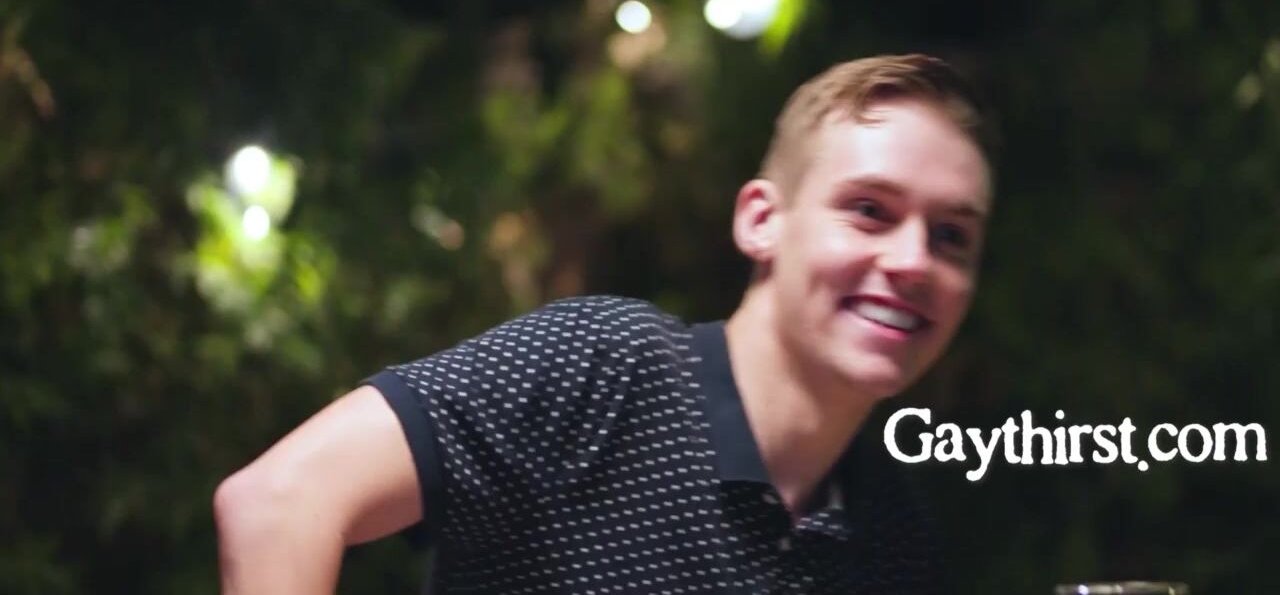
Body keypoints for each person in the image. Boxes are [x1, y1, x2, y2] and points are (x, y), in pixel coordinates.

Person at [214, 54, 998, 594]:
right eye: (870, 210)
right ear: (763, 221)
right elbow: (279, 503)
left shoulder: (892, 542)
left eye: (951, 236)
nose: (914, 261)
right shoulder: (604, 367)